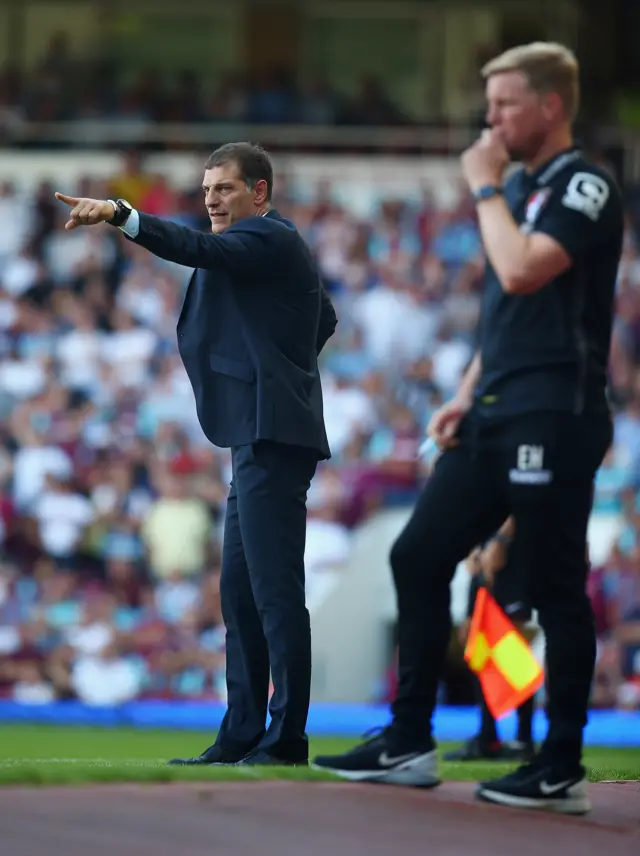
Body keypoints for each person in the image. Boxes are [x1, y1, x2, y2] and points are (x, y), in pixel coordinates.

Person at [313, 42, 623, 815]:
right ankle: (409, 738)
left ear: (551, 107)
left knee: (554, 585)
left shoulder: (582, 184)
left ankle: (559, 765)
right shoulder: (519, 187)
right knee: (419, 555)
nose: (489, 121)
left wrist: (486, 187)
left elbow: (522, 271)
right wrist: (462, 390)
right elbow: (508, 313)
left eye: (505, 105)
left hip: (556, 409)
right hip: (495, 407)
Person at [55, 142, 338, 766]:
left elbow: (199, 250)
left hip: (272, 436)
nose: (211, 199)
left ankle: (286, 737)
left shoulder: (268, 238)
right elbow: (325, 315)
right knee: (240, 594)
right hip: (257, 436)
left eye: (225, 189)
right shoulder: (262, 253)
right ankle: (241, 733)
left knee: (273, 591)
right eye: (206, 190)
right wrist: (283, 358)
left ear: (259, 193)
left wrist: (119, 214)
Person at [443, 517, 536, 763]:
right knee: (480, 650)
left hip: (510, 558)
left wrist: (501, 540)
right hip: (489, 554)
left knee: (513, 653)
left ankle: (523, 738)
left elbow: (518, 500)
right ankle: (489, 736)